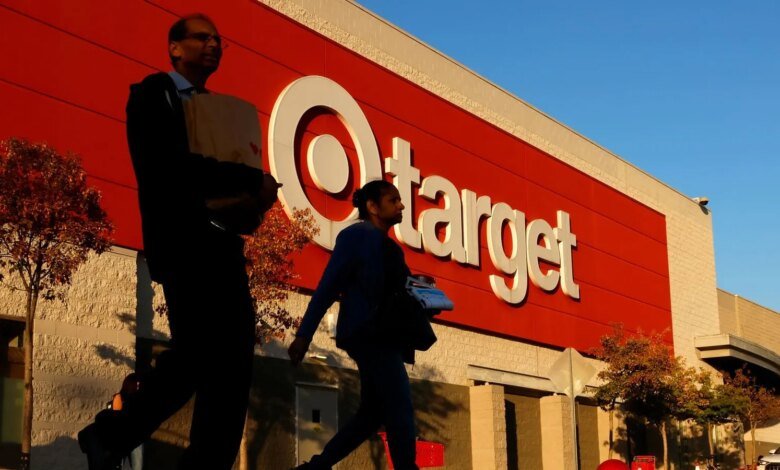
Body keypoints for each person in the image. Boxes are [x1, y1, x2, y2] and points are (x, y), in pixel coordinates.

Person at [78, 13, 278, 470]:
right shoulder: (154, 94)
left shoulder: (220, 111)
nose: (214, 45)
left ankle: (113, 437)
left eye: (219, 39)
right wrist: (251, 179)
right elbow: (168, 168)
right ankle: (108, 434)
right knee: (199, 356)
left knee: (230, 365)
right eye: (202, 37)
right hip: (184, 244)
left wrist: (255, 198)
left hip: (224, 245)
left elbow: (221, 177)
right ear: (174, 47)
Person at [288, 180, 420, 470]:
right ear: (372, 207)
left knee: (372, 414)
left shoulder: (393, 249)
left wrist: (424, 296)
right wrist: (304, 336)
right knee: (399, 405)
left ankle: (316, 467)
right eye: (393, 200)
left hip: (386, 336)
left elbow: (401, 292)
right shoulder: (355, 237)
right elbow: (328, 287)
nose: (401, 205)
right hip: (369, 334)